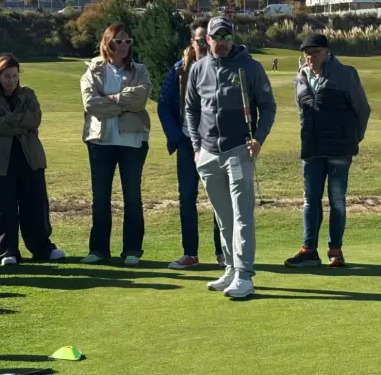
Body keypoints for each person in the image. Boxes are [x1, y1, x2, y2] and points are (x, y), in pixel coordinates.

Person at [185, 16, 276, 299]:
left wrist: (258, 138)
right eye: (216, 37)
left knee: (242, 215)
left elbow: (268, 107)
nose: (222, 42)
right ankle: (230, 267)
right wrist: (196, 146)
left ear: (232, 38)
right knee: (223, 217)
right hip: (208, 153)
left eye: (226, 36)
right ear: (207, 40)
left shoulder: (250, 67)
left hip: (239, 150)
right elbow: (191, 109)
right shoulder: (198, 69)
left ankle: (245, 274)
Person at [284, 34, 370, 268]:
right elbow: (302, 112)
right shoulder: (301, 77)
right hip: (312, 148)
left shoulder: (346, 74)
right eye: (307, 52)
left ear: (327, 52)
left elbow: (363, 109)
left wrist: (355, 137)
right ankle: (309, 250)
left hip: (339, 148)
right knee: (310, 201)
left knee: (337, 201)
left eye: (315, 52)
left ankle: (335, 250)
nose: (310, 56)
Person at [0, 54, 65, 266]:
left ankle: (42, 248)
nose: (11, 80)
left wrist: (9, 120)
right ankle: (6, 251)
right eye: (7, 76)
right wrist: (20, 123)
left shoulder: (28, 94)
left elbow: (35, 118)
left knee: (35, 205)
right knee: (1, 207)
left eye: (15, 75)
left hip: (29, 158)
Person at [80, 23, 152, 266]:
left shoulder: (139, 70)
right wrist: (124, 103)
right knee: (100, 197)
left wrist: (111, 99)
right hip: (100, 141)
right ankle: (99, 250)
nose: (123, 46)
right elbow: (91, 103)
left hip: (132, 141)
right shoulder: (93, 69)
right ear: (107, 43)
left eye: (127, 41)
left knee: (132, 196)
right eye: (118, 41)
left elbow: (141, 98)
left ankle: (132, 249)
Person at [157, 17, 224, 269]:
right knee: (186, 197)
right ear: (192, 42)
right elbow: (164, 105)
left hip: (216, 143)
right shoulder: (179, 69)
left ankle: (222, 252)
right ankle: (190, 253)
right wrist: (176, 137)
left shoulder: (223, 67)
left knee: (219, 197)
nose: (204, 45)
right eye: (199, 41)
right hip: (187, 144)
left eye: (208, 40)